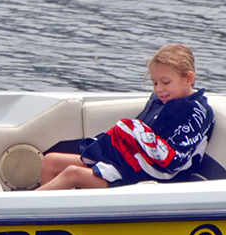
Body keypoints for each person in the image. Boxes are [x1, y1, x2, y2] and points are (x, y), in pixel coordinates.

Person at [38, 43, 213, 190]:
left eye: (166, 82)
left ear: (188, 79)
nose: (159, 89)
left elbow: (173, 162)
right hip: (128, 162)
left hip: (148, 176)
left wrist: (132, 131)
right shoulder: (163, 101)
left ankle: (28, 209)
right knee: (50, 161)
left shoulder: (195, 112)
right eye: (154, 83)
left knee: (72, 173)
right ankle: (47, 214)